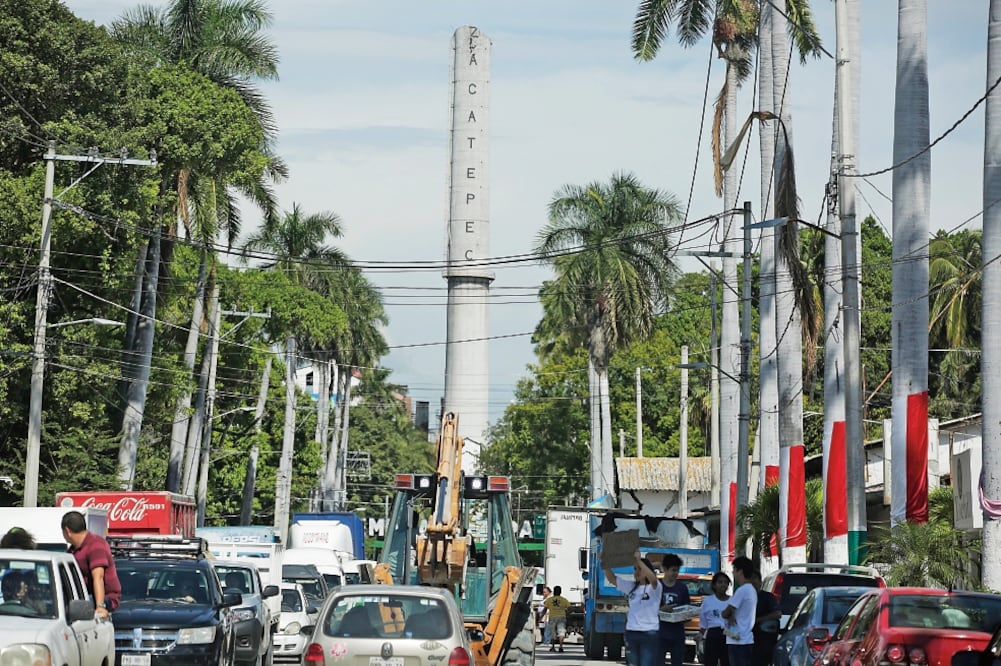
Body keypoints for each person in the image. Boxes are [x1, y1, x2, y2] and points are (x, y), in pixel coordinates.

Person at [605, 552, 662, 666]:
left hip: (649, 633)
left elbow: (653, 579)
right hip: (632, 633)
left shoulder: (655, 587)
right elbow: (612, 578)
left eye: (640, 569)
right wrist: (605, 563)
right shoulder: (631, 587)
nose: (636, 572)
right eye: (635, 569)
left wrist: (639, 561)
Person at [62, 510, 120, 620]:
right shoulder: (72, 550)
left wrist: (100, 606)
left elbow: (98, 577)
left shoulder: (96, 545)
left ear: (67, 531)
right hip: (82, 595)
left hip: (103, 598)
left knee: (70, 606)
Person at [721, 556, 756, 666]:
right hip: (746, 638)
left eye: (734, 569)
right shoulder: (751, 589)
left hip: (737, 640)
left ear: (740, 571)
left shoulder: (742, 590)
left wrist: (727, 614)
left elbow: (725, 613)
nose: (733, 573)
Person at [658, 553, 691, 666]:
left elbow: (687, 608)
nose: (676, 573)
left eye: (677, 570)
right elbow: (649, 609)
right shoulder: (657, 586)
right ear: (665, 569)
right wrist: (661, 609)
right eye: (673, 570)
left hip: (677, 634)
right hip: (660, 633)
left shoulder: (682, 588)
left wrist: (686, 615)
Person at [700, 572, 732, 666]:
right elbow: (703, 622)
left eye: (726, 582)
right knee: (710, 661)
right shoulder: (708, 601)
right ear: (714, 585)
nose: (723, 585)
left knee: (727, 662)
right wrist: (700, 634)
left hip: (729, 633)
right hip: (713, 634)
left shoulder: (733, 600)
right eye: (720, 582)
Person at [750, 571, 781, 666]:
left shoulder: (768, 597)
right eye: (749, 579)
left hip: (764, 639)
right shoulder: (743, 598)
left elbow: (777, 614)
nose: (752, 581)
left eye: (754, 578)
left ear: (760, 582)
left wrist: (758, 620)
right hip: (746, 639)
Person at [544, 584, 570, 652]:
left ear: (554, 591)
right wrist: (567, 614)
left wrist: (540, 617)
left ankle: (553, 647)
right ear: (560, 592)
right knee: (561, 632)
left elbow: (545, 609)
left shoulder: (549, 600)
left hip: (552, 617)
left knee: (552, 632)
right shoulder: (564, 600)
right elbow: (569, 608)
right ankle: (561, 646)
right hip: (561, 617)